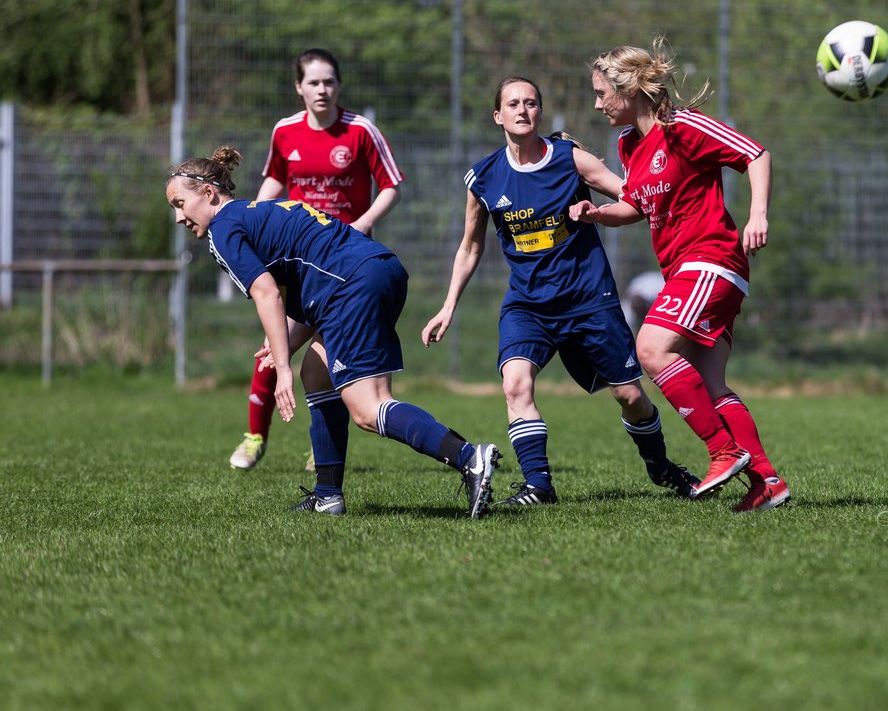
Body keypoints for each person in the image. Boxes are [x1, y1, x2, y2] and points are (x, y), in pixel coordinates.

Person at [166, 146, 500, 517]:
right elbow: (310, 274)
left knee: (367, 409)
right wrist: (285, 347)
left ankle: (470, 457)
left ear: (209, 194)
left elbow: (267, 293)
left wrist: (281, 368)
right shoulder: (262, 209)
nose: (179, 217)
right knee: (317, 372)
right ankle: (327, 495)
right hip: (377, 269)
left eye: (180, 204)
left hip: (351, 285)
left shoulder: (223, 229)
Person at [422, 77, 699, 505]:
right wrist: (448, 305)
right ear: (498, 116)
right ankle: (539, 486)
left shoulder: (570, 159)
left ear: (540, 112)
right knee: (515, 385)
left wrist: (597, 211)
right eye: (512, 104)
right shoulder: (484, 178)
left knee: (629, 395)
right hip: (528, 305)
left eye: (531, 103)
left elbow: (633, 196)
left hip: (589, 299)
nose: (522, 110)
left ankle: (660, 465)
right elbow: (471, 245)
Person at [570, 38, 791, 513]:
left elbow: (755, 154)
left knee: (649, 348)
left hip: (712, 259)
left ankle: (723, 451)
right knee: (712, 384)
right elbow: (636, 205)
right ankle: (768, 482)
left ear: (628, 89)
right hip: (685, 272)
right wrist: (597, 214)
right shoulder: (629, 144)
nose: (596, 103)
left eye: (600, 92)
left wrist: (758, 215)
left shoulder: (683, 127)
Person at [229, 48, 405, 473]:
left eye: (329, 82)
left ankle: (321, 447)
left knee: (327, 360)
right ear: (299, 87)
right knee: (272, 350)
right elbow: (274, 178)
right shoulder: (285, 131)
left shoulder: (360, 130)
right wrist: (251, 216)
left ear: (338, 85)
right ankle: (255, 437)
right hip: (293, 262)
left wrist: (362, 224)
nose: (322, 89)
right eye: (313, 82)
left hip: (343, 263)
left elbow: (391, 185)